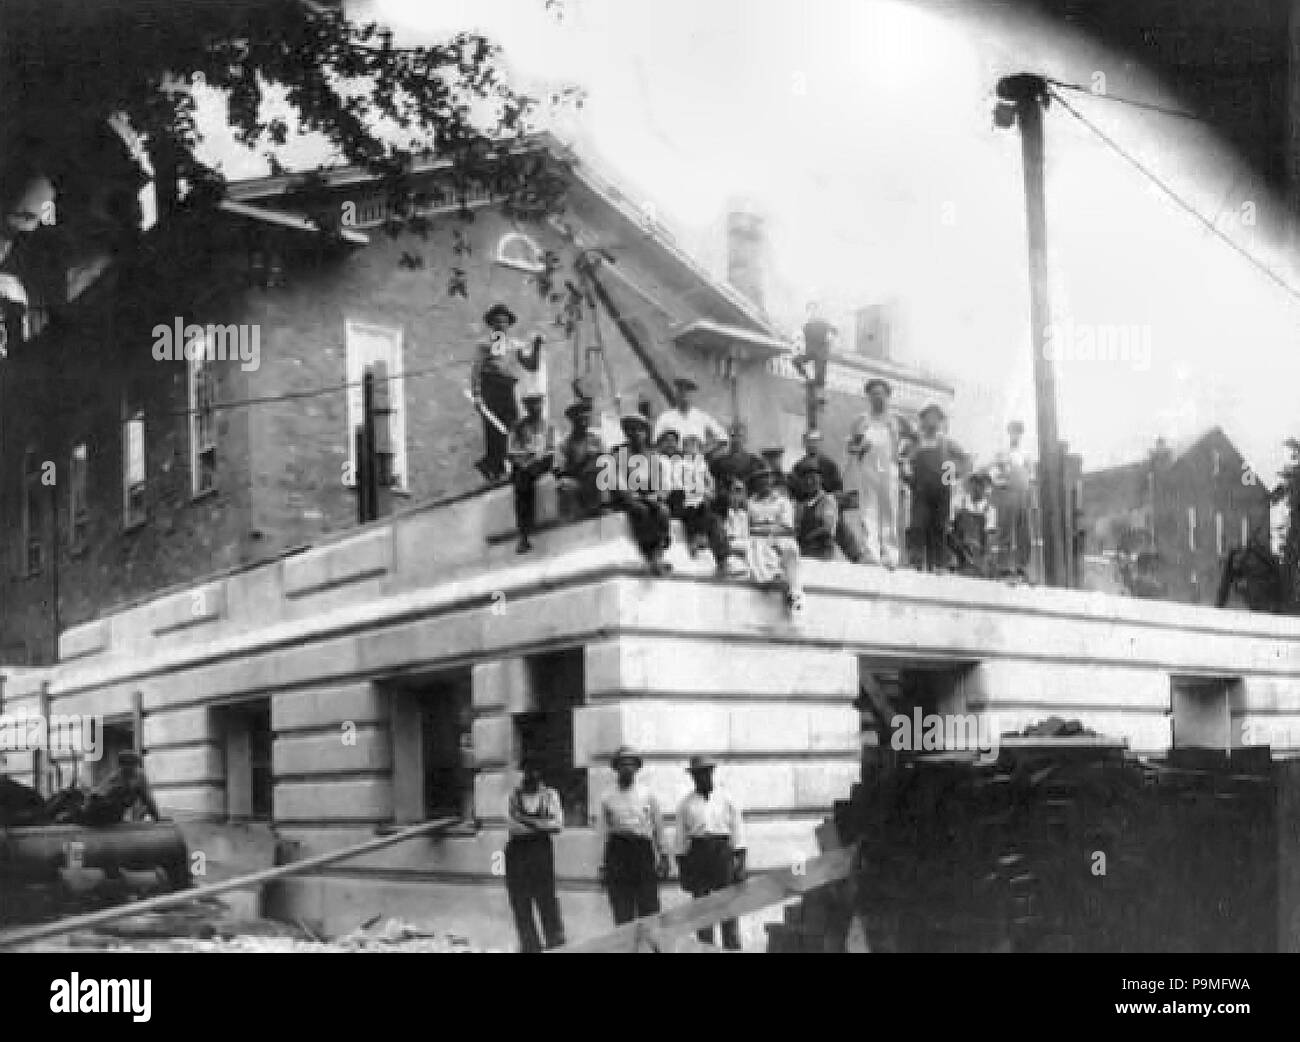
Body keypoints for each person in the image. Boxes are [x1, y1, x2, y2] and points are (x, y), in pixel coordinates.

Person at [675, 755, 746, 950]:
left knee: (728, 907)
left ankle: (732, 948)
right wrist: (683, 869)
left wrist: (740, 863)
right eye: (698, 774)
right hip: (698, 853)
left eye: (706, 773)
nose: (702, 777)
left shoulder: (727, 799)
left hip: (722, 853)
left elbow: (738, 832)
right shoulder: (685, 804)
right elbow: (680, 839)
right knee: (702, 911)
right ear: (692, 777)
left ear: (712, 773)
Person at [597, 746, 671, 926]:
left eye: (631, 764)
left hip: (642, 852)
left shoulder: (648, 794)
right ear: (616, 768)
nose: (627, 768)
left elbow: (658, 827)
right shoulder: (607, 797)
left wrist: (664, 857)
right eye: (623, 764)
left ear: (637, 767)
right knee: (622, 909)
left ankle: (651, 942)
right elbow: (602, 833)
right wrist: (602, 865)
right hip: (618, 853)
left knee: (649, 907)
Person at [504, 759, 566, 952]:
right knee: (520, 901)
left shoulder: (550, 795)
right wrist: (541, 824)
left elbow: (557, 825)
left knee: (546, 898)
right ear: (524, 771)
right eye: (528, 770)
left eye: (536, 769)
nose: (532, 774)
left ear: (541, 772)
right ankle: (530, 946)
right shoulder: (514, 796)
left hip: (541, 852)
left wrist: (526, 820)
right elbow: (513, 828)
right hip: (517, 853)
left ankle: (555, 944)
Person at [846, 378, 904, 568]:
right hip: (868, 468)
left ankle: (890, 554)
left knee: (889, 510)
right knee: (868, 510)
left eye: (881, 394)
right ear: (868, 397)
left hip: (889, 468)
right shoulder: (861, 421)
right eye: (873, 394)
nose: (877, 397)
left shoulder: (896, 420)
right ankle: (871, 552)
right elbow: (850, 447)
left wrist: (904, 458)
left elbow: (914, 440)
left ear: (887, 396)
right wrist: (859, 447)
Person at [904, 404, 967, 572]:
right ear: (922, 421)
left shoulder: (947, 443)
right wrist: (908, 476)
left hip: (941, 492)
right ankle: (916, 562)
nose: (931, 421)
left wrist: (952, 474)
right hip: (920, 492)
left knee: (939, 527)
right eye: (928, 417)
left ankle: (938, 564)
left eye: (936, 418)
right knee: (918, 525)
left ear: (940, 421)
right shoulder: (915, 443)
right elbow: (904, 462)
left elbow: (964, 460)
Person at [609, 412, 673, 575]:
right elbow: (617, 481)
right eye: (631, 430)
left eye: (639, 430)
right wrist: (632, 495)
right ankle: (649, 555)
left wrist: (657, 495)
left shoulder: (654, 457)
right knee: (640, 510)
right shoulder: (619, 456)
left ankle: (658, 554)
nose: (636, 434)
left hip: (650, 497)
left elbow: (664, 484)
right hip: (629, 498)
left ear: (645, 432)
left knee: (663, 511)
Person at [470, 303, 524, 484]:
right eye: (497, 322)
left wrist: (537, 346)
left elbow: (531, 364)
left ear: (509, 324)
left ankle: (499, 463)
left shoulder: (514, 345)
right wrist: (477, 395)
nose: (501, 325)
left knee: (512, 424)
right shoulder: (485, 345)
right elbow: (476, 369)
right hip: (491, 387)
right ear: (492, 324)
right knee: (495, 427)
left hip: (508, 388)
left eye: (504, 321)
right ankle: (495, 466)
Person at [745, 465, 805, 618]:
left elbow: (787, 526)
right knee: (757, 548)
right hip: (758, 538)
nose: (765, 482)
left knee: (790, 549)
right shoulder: (750, 503)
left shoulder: (782, 502)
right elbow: (748, 527)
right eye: (761, 479)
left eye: (767, 478)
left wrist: (769, 530)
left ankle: (795, 592)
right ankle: (770, 576)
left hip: (779, 535)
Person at [508, 392, 556, 553]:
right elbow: (512, 451)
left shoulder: (548, 426)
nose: (535, 407)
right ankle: (524, 534)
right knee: (522, 485)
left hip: (543, 463)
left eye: (538, 403)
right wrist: (525, 460)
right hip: (525, 466)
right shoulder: (518, 427)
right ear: (526, 407)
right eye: (531, 404)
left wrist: (541, 457)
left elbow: (552, 449)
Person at [991, 420, 1033, 578]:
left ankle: (1022, 566)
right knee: (1006, 531)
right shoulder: (1003, 453)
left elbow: (1029, 475)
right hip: (1008, 494)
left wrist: (1028, 494)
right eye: (1013, 431)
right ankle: (1004, 566)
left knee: (1024, 533)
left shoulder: (1026, 454)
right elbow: (995, 475)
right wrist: (1002, 483)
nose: (1016, 435)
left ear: (1021, 434)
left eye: (1018, 432)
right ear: (1009, 433)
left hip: (1023, 494)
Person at [78, 751, 162, 826]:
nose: (129, 768)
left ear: (136, 765)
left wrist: (157, 818)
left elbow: (148, 800)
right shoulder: (115, 779)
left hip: (114, 813)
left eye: (132, 765)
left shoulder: (139, 778)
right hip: (102, 812)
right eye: (126, 765)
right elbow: (98, 795)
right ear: (121, 766)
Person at [555, 398, 605, 520]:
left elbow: (606, 460)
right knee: (564, 485)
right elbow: (560, 471)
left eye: (586, 418)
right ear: (572, 420)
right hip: (577, 481)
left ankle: (597, 510)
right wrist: (582, 464)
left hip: (596, 481)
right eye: (579, 419)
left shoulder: (596, 439)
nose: (583, 422)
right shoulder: (565, 443)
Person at [652, 376, 726, 449]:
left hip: (697, 455)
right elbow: (655, 443)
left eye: (688, 390)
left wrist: (707, 450)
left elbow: (723, 438)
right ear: (676, 394)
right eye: (680, 390)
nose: (684, 393)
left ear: (692, 394)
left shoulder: (702, 416)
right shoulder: (665, 417)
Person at [951, 470, 998, 577]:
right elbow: (950, 529)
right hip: (959, 552)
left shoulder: (990, 510)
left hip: (978, 555)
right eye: (975, 483)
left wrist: (984, 560)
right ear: (971, 485)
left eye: (981, 484)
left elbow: (989, 537)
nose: (977, 488)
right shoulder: (958, 503)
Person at [796, 466, 839, 561]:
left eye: (813, 478)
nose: (809, 482)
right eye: (805, 479)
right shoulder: (802, 504)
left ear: (821, 480)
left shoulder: (827, 500)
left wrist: (806, 538)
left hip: (821, 549)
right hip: (804, 549)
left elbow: (827, 527)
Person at [796, 302, 836, 391]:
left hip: (821, 353)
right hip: (810, 352)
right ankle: (807, 379)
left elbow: (834, 331)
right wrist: (800, 346)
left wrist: (830, 337)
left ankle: (816, 387)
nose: (812, 312)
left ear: (817, 311)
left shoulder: (823, 323)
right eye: (810, 310)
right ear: (807, 312)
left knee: (819, 381)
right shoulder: (806, 326)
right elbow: (804, 339)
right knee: (796, 360)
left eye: (814, 310)